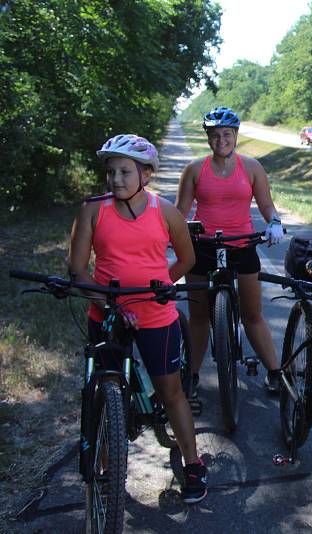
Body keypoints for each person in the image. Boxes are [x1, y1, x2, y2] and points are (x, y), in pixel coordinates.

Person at [69, 134, 207, 503]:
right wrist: (110, 305)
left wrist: (165, 282)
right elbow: (78, 270)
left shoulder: (164, 211)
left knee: (170, 391)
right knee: (104, 388)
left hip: (155, 315)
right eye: (110, 172)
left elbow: (187, 258)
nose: (115, 179)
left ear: (145, 174)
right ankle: (106, 463)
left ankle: (192, 461)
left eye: (125, 171)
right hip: (107, 312)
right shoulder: (92, 211)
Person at [176, 107, 284, 394]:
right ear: (208, 138)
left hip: (242, 243)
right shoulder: (195, 169)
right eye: (214, 135)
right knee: (199, 315)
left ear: (235, 136)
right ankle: (194, 376)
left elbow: (266, 205)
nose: (221, 140)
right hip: (203, 245)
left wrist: (274, 221)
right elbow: (180, 212)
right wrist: (175, 233)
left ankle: (275, 372)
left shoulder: (251, 167)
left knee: (253, 314)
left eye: (226, 134)